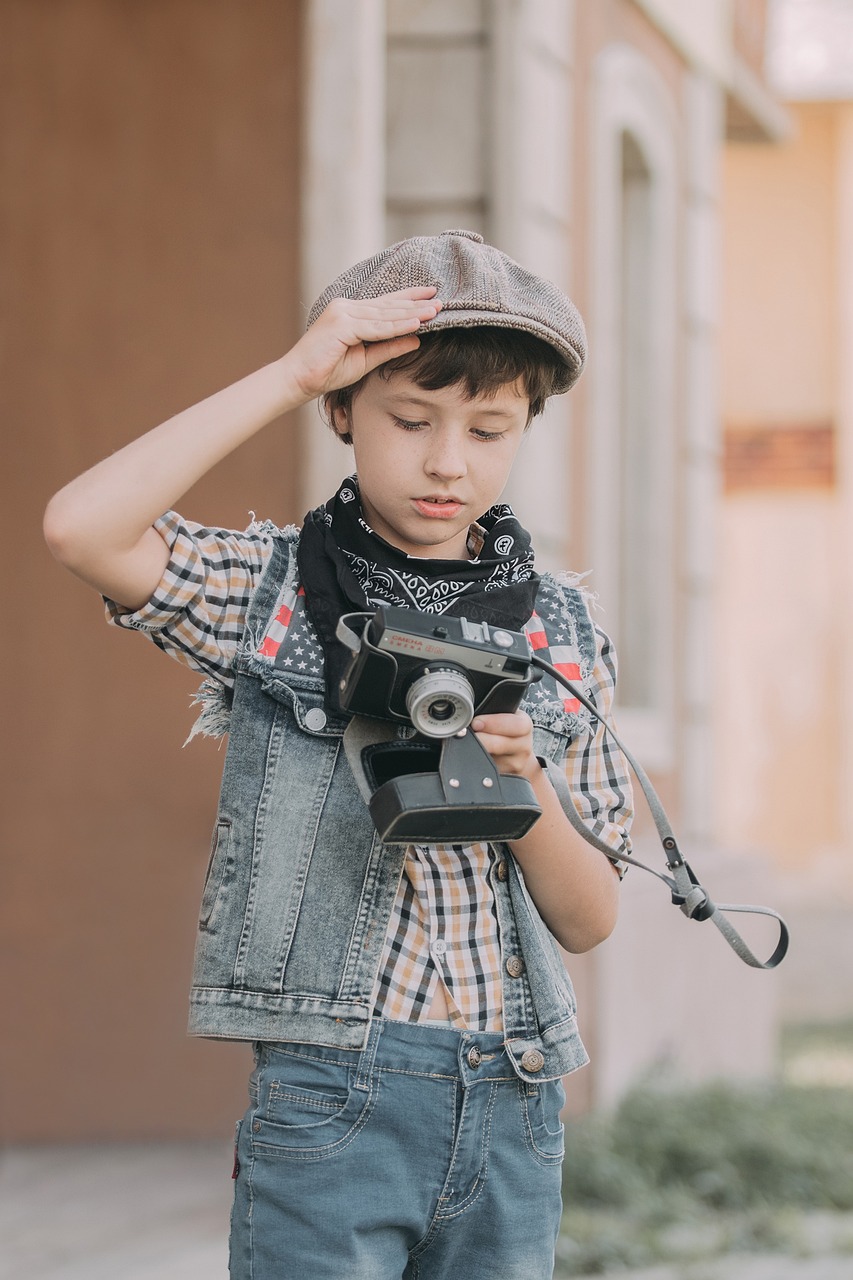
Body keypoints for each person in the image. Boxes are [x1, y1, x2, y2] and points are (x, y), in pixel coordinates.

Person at [44, 229, 633, 1280]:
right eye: (411, 420)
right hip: (335, 1088)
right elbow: (82, 528)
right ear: (344, 411)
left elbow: (589, 919)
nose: (448, 460)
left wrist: (527, 784)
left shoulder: (562, 631)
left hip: (515, 1090)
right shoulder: (278, 597)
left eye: (490, 430)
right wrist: (289, 371)